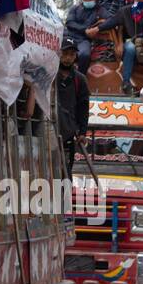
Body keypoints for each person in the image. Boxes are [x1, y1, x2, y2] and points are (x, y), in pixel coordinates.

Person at [56, 37, 90, 178]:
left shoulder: (80, 79)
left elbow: (83, 107)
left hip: (68, 134)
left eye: (71, 54)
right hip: (48, 131)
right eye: (65, 53)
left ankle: (64, 200)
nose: (68, 58)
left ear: (75, 56)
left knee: (65, 174)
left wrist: (82, 132)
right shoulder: (50, 74)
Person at [65, 0, 102, 73]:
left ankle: (80, 77)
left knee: (84, 55)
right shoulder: (75, 8)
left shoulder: (100, 10)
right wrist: (85, 30)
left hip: (84, 40)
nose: (88, 0)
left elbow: (111, 19)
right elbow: (69, 22)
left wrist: (99, 27)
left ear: (96, 0)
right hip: (69, 36)